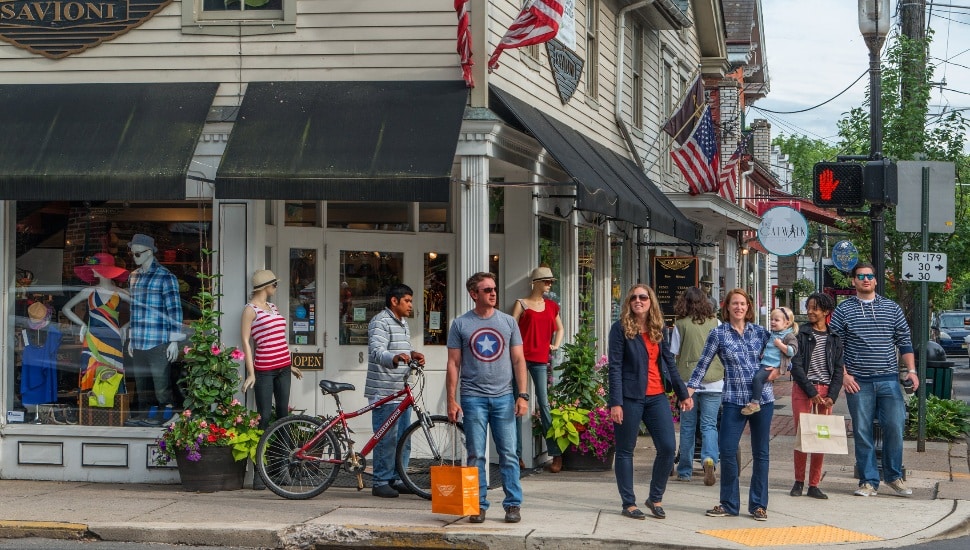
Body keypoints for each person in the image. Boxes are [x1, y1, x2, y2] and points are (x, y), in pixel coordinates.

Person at [829, 262, 917, 498]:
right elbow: (835, 347)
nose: (865, 279)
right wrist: (845, 376)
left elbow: (904, 341)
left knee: (895, 428)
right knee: (862, 431)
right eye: (860, 276)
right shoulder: (844, 310)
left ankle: (893, 477)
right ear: (853, 281)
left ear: (876, 280)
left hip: (889, 380)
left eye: (870, 276)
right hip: (859, 382)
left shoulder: (891, 308)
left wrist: (912, 371)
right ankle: (868, 481)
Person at [446, 272, 529, 524]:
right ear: (474, 294)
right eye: (486, 290)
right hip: (473, 398)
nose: (493, 293)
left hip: (504, 396)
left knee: (508, 453)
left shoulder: (507, 322)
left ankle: (512, 504)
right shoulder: (461, 324)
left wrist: (522, 395)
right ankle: (477, 504)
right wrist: (451, 399)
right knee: (476, 455)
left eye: (494, 289)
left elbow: (518, 360)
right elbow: (453, 364)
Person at [688, 288, 776, 521]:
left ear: (748, 308)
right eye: (734, 303)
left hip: (762, 400)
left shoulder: (761, 333)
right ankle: (728, 503)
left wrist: (777, 370)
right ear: (726, 307)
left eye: (743, 303)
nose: (739, 307)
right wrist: (689, 389)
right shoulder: (718, 334)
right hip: (734, 400)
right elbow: (703, 364)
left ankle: (758, 505)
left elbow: (783, 355)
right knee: (726, 450)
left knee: (761, 453)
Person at [609, 284, 693, 520]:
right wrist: (615, 402)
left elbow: (669, 363)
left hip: (656, 396)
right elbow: (614, 367)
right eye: (634, 297)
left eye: (643, 297)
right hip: (629, 397)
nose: (638, 300)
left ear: (650, 301)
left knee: (667, 448)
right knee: (625, 450)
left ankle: (655, 497)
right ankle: (629, 503)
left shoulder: (659, 329)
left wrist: (683, 393)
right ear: (629, 302)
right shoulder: (620, 329)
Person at [241, 269, 303, 490]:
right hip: (264, 369)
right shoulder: (250, 311)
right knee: (265, 418)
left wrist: (290, 364)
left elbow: (279, 339)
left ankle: (282, 468)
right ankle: (260, 471)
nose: (276, 288)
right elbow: (247, 343)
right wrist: (251, 372)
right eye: (274, 285)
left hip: (284, 368)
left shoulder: (274, 308)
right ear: (264, 287)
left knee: (283, 416)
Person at [365, 284, 426, 498]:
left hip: (400, 390)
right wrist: (395, 358)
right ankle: (381, 481)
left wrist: (412, 353)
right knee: (386, 438)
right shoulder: (380, 321)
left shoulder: (403, 323)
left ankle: (398, 478)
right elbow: (377, 351)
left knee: (403, 437)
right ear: (394, 301)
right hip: (384, 390)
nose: (411, 305)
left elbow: (400, 348)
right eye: (407, 301)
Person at [790, 292, 845, 499]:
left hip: (825, 393)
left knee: (821, 438)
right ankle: (798, 482)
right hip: (804, 391)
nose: (810, 312)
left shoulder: (834, 338)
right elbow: (796, 365)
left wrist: (832, 395)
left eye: (815, 308)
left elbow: (839, 369)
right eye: (809, 307)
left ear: (826, 311)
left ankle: (814, 484)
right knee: (802, 436)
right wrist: (811, 392)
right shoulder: (801, 335)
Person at [126, 234, 183, 427]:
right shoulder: (133, 277)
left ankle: (167, 414)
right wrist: (132, 338)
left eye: (138, 253)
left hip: (158, 340)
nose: (135, 257)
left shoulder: (166, 277)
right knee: (142, 385)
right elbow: (134, 310)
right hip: (140, 339)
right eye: (132, 253)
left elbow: (174, 309)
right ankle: (146, 414)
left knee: (161, 384)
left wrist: (174, 340)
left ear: (150, 252)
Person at [511, 266, 564, 473]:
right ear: (536, 282)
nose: (549, 284)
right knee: (517, 404)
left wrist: (555, 344)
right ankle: (516, 455)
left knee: (544, 404)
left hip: (541, 359)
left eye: (550, 281)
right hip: (520, 360)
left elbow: (560, 328)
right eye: (546, 281)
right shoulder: (521, 304)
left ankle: (555, 454)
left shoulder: (551, 306)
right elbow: (510, 329)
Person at [671, 286, 723, 485]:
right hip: (714, 380)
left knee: (687, 426)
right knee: (709, 424)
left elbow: (674, 352)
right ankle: (709, 459)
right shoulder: (715, 322)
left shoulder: (680, 324)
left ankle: (684, 470)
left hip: (687, 383)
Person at [62, 253, 131, 392]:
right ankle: (90, 409)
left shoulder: (121, 293)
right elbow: (66, 309)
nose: (91, 270)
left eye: (95, 267)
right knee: (90, 370)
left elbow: (139, 312)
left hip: (113, 338)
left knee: (113, 372)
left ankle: (114, 409)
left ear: (105, 270)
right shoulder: (89, 291)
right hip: (92, 337)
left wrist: (125, 327)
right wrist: (82, 325)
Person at [742, 307, 798, 415]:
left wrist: (780, 345)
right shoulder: (774, 333)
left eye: (776, 320)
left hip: (772, 365)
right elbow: (771, 348)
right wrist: (764, 352)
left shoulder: (788, 336)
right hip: (767, 362)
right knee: (758, 379)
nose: (772, 322)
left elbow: (792, 351)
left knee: (757, 379)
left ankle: (755, 403)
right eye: (772, 319)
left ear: (787, 323)